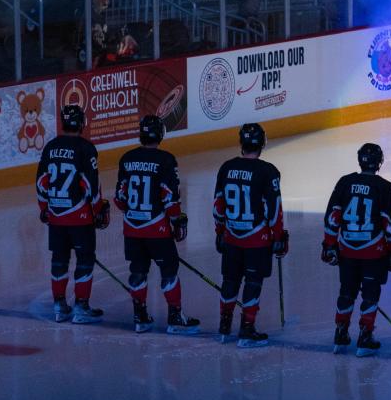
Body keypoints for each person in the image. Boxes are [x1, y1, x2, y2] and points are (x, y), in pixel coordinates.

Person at [115, 115, 199, 334]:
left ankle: (140, 317)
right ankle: (175, 317)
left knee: (138, 271)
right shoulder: (166, 160)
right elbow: (170, 197)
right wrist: (177, 220)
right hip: (157, 229)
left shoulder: (127, 158)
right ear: (161, 134)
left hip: (132, 229)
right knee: (169, 270)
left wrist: (135, 214)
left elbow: (119, 197)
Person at [213, 123, 288, 347]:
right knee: (253, 282)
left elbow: (218, 205)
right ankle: (247, 329)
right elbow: (274, 210)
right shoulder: (268, 171)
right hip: (257, 239)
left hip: (232, 237)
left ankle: (224, 326)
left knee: (230, 280)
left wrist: (220, 231)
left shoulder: (226, 168)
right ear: (262, 143)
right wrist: (278, 236)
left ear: (241, 142)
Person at [321, 143, 391, 357]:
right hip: (374, 252)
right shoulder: (384, 187)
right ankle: (365, 336)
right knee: (370, 294)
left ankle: (340, 333)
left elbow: (332, 217)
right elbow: (390, 225)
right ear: (380, 162)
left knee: (347, 292)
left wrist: (329, 244)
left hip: (347, 251)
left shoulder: (345, 182)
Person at [35, 104, 109, 323]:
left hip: (56, 217)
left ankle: (59, 306)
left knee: (59, 259)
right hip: (80, 217)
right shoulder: (86, 148)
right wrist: (97, 210)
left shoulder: (50, 147)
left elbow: (41, 183)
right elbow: (90, 185)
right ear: (82, 122)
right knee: (85, 260)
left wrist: (45, 209)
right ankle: (81, 307)